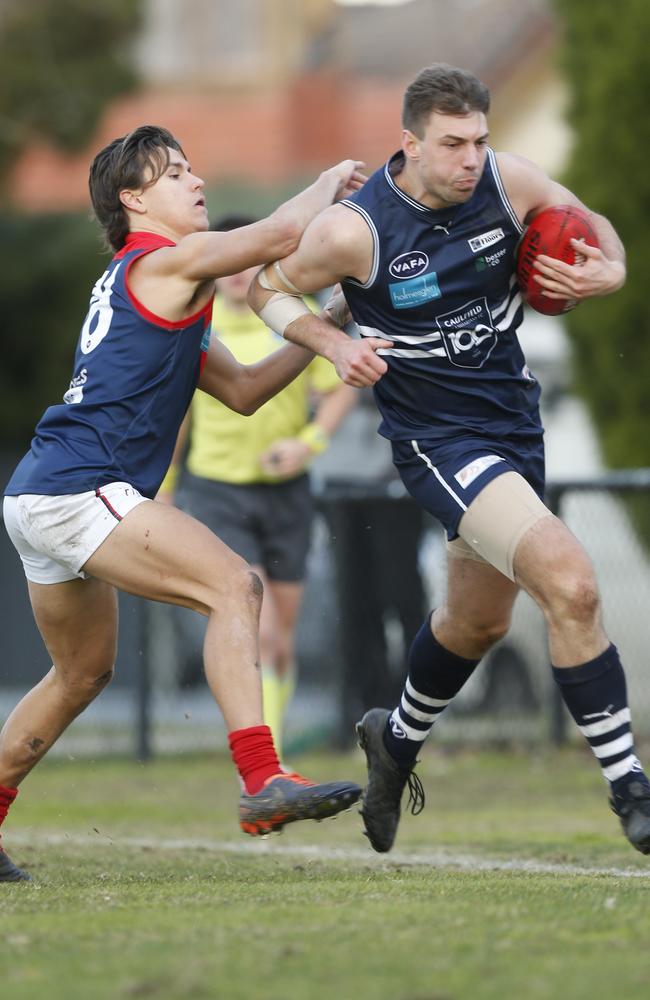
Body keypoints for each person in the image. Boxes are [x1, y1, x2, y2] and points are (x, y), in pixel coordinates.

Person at [248, 64, 650, 856]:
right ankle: (631, 787)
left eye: (481, 141)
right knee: (570, 581)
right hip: (438, 440)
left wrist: (613, 265)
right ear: (410, 144)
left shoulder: (505, 183)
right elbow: (266, 287)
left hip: (514, 426)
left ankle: (393, 745)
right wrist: (334, 344)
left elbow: (587, 216)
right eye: (453, 144)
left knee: (477, 621)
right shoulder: (354, 231)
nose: (472, 159)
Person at [0, 125, 366, 883]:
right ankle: (262, 779)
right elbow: (282, 232)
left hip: (44, 491)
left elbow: (243, 391)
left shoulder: (160, 286)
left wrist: (326, 327)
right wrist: (331, 178)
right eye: (174, 174)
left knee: (80, 676)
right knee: (235, 585)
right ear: (133, 201)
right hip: (78, 488)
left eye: (195, 169)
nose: (196, 182)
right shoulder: (166, 261)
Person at [159, 213, 356, 757]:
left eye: (243, 261)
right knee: (259, 625)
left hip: (288, 493)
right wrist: (168, 485)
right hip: (219, 491)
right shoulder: (199, 322)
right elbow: (179, 415)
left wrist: (307, 444)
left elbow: (339, 389)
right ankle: (262, 760)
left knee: (282, 637)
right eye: (224, 261)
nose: (232, 272)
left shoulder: (294, 315)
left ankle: (273, 749)